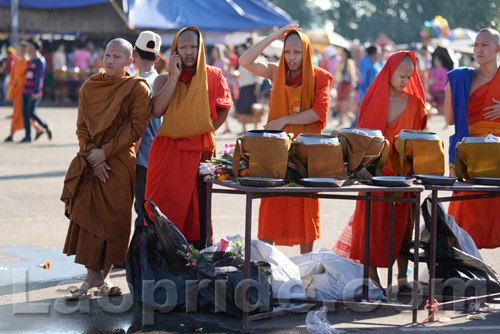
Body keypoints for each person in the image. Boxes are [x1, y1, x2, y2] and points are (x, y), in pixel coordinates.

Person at [60, 38, 151, 299]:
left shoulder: (137, 88)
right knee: (89, 216)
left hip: (120, 162)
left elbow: (137, 127)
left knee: (115, 219)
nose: (110, 61)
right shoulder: (91, 86)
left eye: (117, 57)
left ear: (129, 62)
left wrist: (105, 153)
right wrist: (92, 156)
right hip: (91, 160)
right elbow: (82, 127)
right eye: (107, 55)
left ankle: (107, 276)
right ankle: (91, 277)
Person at [239, 24, 334, 254]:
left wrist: (282, 120)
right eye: (287, 51)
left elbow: (319, 112)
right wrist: (273, 37)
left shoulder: (320, 76)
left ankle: (306, 269)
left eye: (297, 52)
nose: (291, 57)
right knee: (272, 207)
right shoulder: (276, 71)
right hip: (275, 153)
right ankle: (268, 268)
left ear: (307, 52)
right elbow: (245, 61)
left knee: (305, 209)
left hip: (306, 153)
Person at [145, 26, 232, 247]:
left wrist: (206, 128)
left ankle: (195, 261)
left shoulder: (213, 75)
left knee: (198, 211)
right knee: (165, 207)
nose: (188, 52)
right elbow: (156, 110)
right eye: (182, 47)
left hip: (201, 152)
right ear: (175, 50)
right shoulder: (163, 79)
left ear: (200, 47)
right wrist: (174, 77)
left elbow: (224, 107)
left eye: (193, 46)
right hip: (169, 153)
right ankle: (163, 259)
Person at [350, 51, 427, 292]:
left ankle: (402, 279)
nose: (405, 80)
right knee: (370, 226)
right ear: (389, 71)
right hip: (373, 174)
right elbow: (361, 138)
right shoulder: (372, 99)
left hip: (403, 174)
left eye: (409, 76)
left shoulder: (415, 104)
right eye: (401, 75)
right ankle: (372, 280)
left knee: (404, 227)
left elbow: (419, 141)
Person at [444, 28, 500, 249]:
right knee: (466, 212)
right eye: (476, 45)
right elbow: (450, 120)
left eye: (485, 44)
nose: (479, 49)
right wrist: (451, 90)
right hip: (471, 155)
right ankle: (466, 270)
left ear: (498, 49)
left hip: (498, 156)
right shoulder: (462, 78)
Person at [132, 30, 162, 231]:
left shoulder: (137, 84)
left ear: (134, 54)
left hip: (141, 156)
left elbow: (138, 127)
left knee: (142, 209)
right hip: (161, 154)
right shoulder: (164, 82)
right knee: (154, 208)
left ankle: (141, 258)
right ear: (158, 57)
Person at [19, 38, 52, 143]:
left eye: (28, 46)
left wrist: (36, 91)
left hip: (33, 91)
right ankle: (28, 136)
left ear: (33, 47)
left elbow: (39, 78)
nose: (27, 48)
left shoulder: (40, 61)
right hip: (26, 90)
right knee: (25, 114)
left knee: (31, 112)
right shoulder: (30, 60)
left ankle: (45, 126)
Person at [351, 45, 381, 127]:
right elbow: (365, 81)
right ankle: (348, 134)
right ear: (373, 54)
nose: (379, 55)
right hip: (367, 94)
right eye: (378, 53)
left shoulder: (367, 62)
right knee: (360, 117)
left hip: (365, 93)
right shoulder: (369, 65)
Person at [4, 42, 28, 142]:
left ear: (23, 51)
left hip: (23, 90)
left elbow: (27, 77)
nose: (16, 51)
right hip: (16, 89)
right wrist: (11, 88)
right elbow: (13, 75)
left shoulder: (27, 62)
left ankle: (12, 134)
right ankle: (38, 129)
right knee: (18, 112)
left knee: (23, 112)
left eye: (18, 50)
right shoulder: (16, 61)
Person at [334, 47, 357, 126]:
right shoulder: (340, 62)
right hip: (341, 84)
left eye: (342, 52)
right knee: (340, 103)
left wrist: (352, 85)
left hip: (346, 84)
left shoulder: (349, 62)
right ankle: (342, 120)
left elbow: (352, 75)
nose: (341, 53)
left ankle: (350, 119)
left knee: (344, 104)